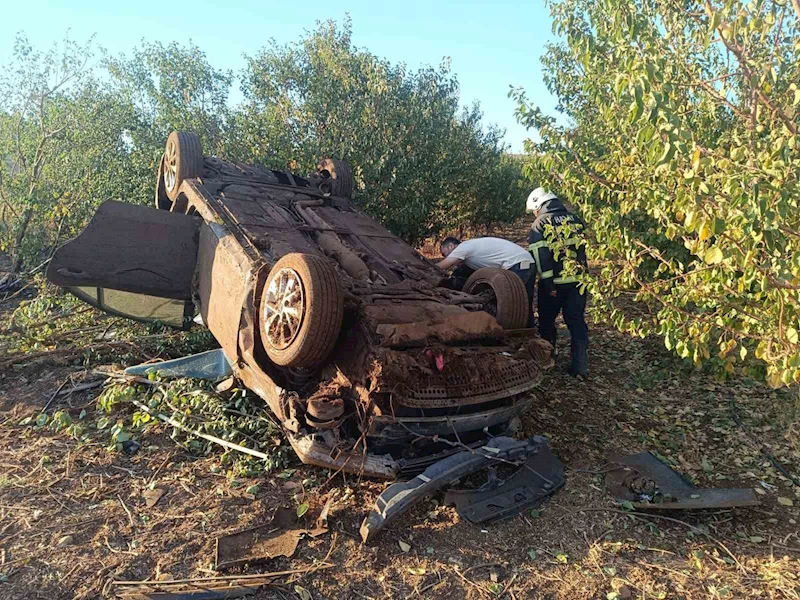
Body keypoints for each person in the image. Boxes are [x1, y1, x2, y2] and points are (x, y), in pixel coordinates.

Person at [526, 187, 589, 377]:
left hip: (554, 284)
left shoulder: (541, 223)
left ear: (539, 204)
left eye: (534, 210)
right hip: (578, 282)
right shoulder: (575, 219)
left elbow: (540, 254)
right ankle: (580, 367)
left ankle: (548, 359)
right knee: (576, 322)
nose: (534, 214)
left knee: (546, 321)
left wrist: (548, 283)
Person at [437, 236, 535, 327]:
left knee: (512, 303)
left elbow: (442, 266)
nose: (445, 257)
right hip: (526, 261)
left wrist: (425, 270)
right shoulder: (471, 252)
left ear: (451, 246)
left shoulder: (463, 247)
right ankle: (530, 332)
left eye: (444, 254)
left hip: (518, 263)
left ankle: (517, 334)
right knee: (525, 302)